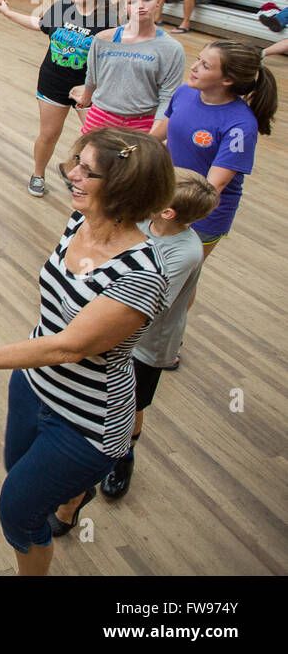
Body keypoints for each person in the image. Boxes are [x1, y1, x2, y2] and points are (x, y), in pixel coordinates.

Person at [0, 130, 175, 576]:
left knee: (17, 512)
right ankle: (69, 500)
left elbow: (69, 346)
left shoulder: (142, 274)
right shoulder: (79, 220)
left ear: (124, 188)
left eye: (87, 170)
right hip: (32, 388)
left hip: (85, 423)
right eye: (75, 162)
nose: (71, 174)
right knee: (18, 475)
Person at [87, 171, 218, 505]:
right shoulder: (142, 221)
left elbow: (149, 304)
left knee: (133, 402)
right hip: (114, 329)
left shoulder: (185, 252)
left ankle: (123, 457)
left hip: (148, 344)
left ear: (168, 212)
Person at [0, 0, 115, 197]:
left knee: (97, 139)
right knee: (49, 134)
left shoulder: (109, 19)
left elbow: (114, 59)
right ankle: (38, 175)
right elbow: (39, 24)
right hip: (53, 81)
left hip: (89, 90)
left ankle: (84, 177)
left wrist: (91, 88)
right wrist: (8, 13)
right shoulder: (62, 8)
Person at [155, 40, 276, 261]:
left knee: (178, 279)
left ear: (227, 80)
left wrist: (178, 214)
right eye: (198, 59)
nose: (194, 67)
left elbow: (213, 186)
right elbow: (158, 135)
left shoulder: (240, 125)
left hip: (200, 214)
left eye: (205, 65)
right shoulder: (185, 92)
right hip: (166, 198)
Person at [70, 0, 185, 137]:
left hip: (143, 122)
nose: (141, 6)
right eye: (132, 2)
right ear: (125, 7)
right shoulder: (104, 39)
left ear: (158, 2)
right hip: (101, 115)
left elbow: (168, 96)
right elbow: (92, 76)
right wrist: (85, 98)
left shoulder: (172, 48)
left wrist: (154, 134)